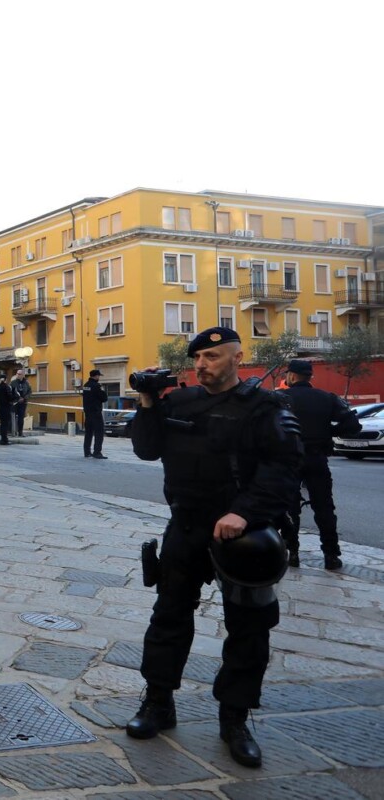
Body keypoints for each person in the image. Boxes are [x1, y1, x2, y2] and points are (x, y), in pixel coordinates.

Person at [126, 326, 302, 769]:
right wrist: (148, 400)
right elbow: (147, 451)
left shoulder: (266, 406)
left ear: (237, 358)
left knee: (248, 628)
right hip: (186, 527)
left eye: (213, 356)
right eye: (198, 358)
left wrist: (244, 511)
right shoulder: (179, 402)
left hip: (242, 535)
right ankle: (158, 703)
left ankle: (235, 718)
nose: (202, 365)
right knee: (168, 616)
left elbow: (285, 468)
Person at [277, 359, 360, 570]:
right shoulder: (326, 397)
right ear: (309, 377)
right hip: (317, 459)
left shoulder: (279, 398)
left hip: (288, 461)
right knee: (324, 508)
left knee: (289, 509)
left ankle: (292, 553)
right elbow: (353, 425)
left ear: (292, 376)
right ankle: (331, 555)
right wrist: (327, 432)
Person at [82, 369, 108, 459]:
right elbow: (104, 398)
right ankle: (97, 452)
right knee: (99, 433)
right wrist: (103, 390)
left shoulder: (86, 386)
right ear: (96, 376)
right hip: (96, 413)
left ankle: (87, 452)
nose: (99, 377)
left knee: (88, 433)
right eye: (99, 376)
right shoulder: (96, 386)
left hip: (87, 413)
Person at [0, 374, 15, 445]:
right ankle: (5, 440)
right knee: (5, 425)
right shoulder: (7, 387)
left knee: (2, 424)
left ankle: (2, 438)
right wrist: (13, 394)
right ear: (5, 380)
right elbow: (10, 397)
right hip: (6, 408)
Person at [11, 368, 32, 435]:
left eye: (19, 374)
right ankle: (13, 431)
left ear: (23, 375)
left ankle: (20, 431)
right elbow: (11, 392)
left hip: (23, 403)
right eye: (17, 374)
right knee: (13, 417)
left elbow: (30, 392)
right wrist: (17, 398)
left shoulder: (26, 383)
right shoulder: (13, 383)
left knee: (21, 417)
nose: (18, 375)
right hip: (15, 402)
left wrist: (24, 398)